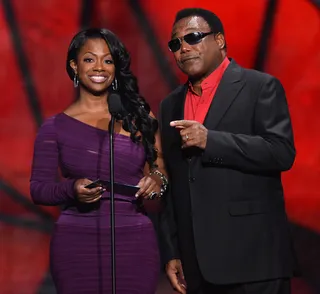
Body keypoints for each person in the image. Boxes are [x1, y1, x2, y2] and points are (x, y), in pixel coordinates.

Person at [158, 8, 296, 294]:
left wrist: (212, 141)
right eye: (176, 43)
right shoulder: (170, 105)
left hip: (253, 260)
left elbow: (281, 152)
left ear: (219, 40)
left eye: (193, 37)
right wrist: (172, 250)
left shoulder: (260, 87)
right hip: (197, 265)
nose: (183, 48)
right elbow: (174, 183)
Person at [30, 28, 168, 294]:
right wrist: (71, 189)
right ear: (74, 65)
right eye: (89, 59)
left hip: (134, 241)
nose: (100, 67)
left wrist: (157, 179)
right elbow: (38, 189)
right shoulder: (54, 127)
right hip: (76, 242)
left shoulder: (139, 116)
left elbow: (161, 167)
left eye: (108, 60)